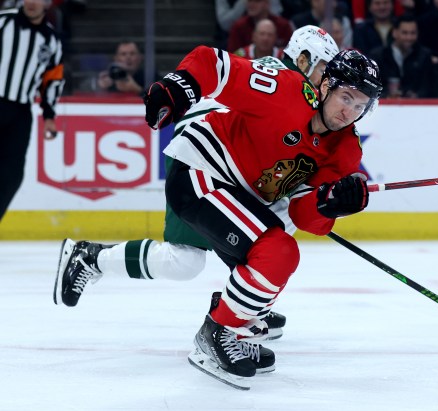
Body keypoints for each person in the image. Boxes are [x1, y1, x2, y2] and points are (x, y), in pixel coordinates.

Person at [53, 26, 350, 389]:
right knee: (184, 261)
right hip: (204, 166)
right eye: (322, 68)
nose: (327, 79)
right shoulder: (282, 78)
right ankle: (90, 257)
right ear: (303, 59)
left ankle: (244, 308)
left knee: (276, 226)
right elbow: (216, 83)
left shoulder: (312, 105)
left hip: (235, 175)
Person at [0, 0, 64, 223]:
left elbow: (52, 80)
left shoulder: (52, 39)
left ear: (48, 4)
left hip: (20, 114)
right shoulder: (3, 21)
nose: (31, 2)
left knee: (12, 175)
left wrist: (49, 116)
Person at [369, 13, 434, 98]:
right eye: (404, 33)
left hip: (417, 107)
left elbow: (428, 87)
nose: (409, 37)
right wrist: (387, 95)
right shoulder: (378, 56)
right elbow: (370, 86)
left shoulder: (424, 55)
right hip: (384, 106)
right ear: (395, 33)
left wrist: (417, 96)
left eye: (413, 33)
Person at [227, 0, 293, 52]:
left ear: (267, 3)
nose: (251, 5)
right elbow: (232, 57)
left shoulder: (283, 26)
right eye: (249, 1)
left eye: (257, 1)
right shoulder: (238, 27)